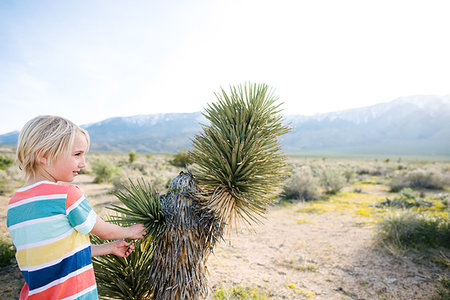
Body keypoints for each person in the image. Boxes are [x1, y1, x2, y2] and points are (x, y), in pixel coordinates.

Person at [6, 115, 146, 299]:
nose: (83, 163)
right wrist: (132, 230)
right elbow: (105, 231)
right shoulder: (66, 195)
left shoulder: (15, 203)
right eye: (77, 154)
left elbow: (57, 255)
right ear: (44, 155)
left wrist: (110, 248)